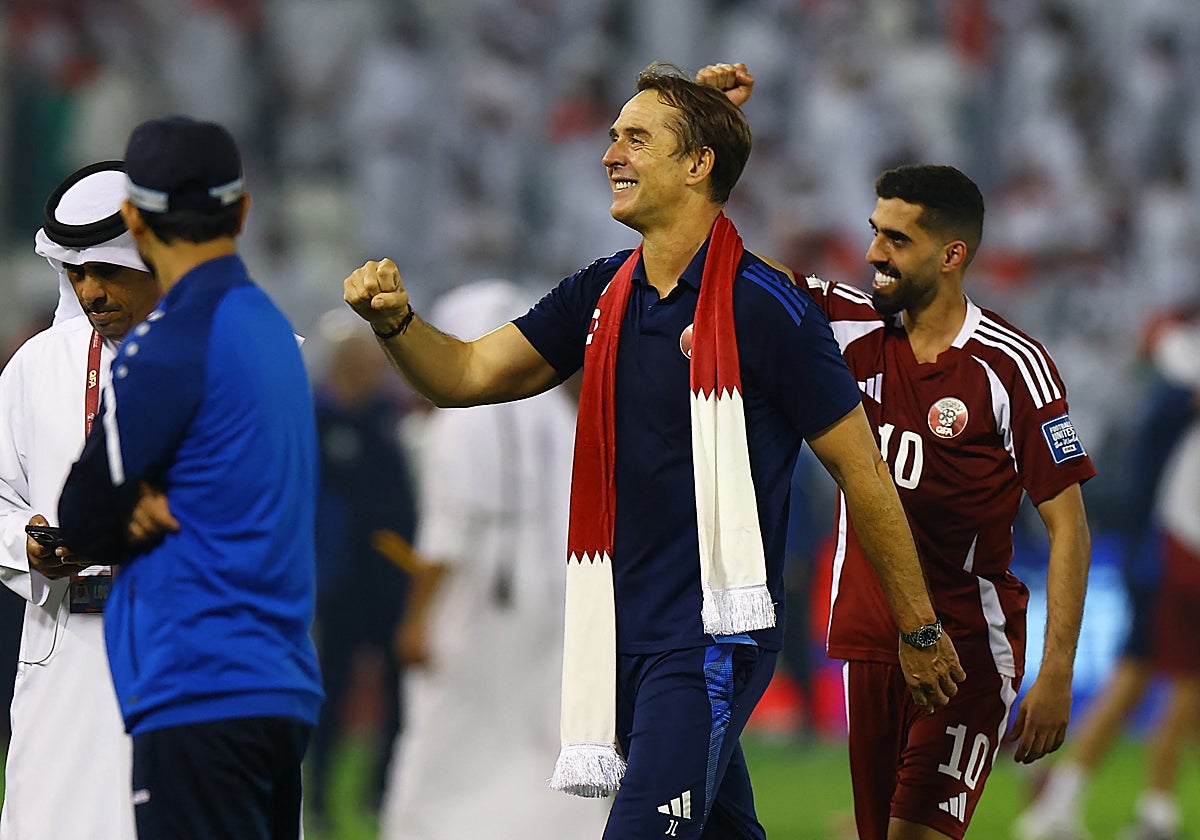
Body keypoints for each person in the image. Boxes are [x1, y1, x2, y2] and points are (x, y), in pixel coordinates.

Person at [344, 62, 963, 840]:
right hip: (620, 631)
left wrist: (919, 628)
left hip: (708, 641)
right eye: (612, 137)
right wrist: (396, 322)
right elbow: (465, 374)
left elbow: (862, 472)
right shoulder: (598, 293)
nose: (611, 154)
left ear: (698, 165)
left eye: (636, 138)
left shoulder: (766, 308)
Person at [703, 55, 1095, 840]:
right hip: (869, 647)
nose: (875, 252)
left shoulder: (1010, 367)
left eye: (898, 239)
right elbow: (729, 271)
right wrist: (709, 136)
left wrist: (1055, 674)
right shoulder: (845, 326)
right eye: (875, 232)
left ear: (952, 256)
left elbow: (1069, 527)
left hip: (966, 655)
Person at [56, 116, 324, 840]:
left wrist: (129, 505)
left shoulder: (170, 340)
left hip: (200, 685)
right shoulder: (271, 327)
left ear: (135, 221)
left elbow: (80, 514)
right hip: (279, 686)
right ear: (241, 211)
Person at [378, 279, 610, 840]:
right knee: (544, 719)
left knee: (451, 720)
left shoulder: (461, 414)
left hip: (481, 592)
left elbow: (450, 531)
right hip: (559, 586)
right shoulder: (557, 410)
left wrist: (416, 619)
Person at [0, 160, 158, 840]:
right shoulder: (38, 365)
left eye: (107, 270)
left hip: (190, 650)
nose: (89, 291)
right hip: (65, 651)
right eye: (74, 273)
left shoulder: (247, 353)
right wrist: (26, 544)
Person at [1014, 312, 1200, 840]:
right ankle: (1152, 810)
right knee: (1182, 681)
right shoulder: (1174, 409)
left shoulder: (1163, 414)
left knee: (1137, 678)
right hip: (1178, 557)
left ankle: (1061, 795)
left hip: (1161, 554)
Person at [306, 309, 418, 832]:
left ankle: (384, 791)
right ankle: (321, 798)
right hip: (339, 580)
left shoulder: (384, 417)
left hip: (390, 578)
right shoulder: (316, 419)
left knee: (396, 695)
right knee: (331, 690)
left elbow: (403, 498)